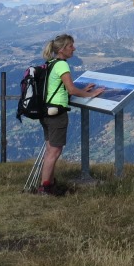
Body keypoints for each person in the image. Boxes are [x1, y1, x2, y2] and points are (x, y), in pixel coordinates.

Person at [37, 33, 104, 195]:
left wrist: (83, 90)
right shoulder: (62, 65)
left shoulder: (51, 63)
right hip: (57, 114)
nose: (74, 48)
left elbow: (59, 89)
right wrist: (91, 95)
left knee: (49, 150)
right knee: (55, 152)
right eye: (70, 46)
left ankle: (49, 184)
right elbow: (70, 89)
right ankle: (45, 188)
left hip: (46, 111)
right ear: (61, 50)